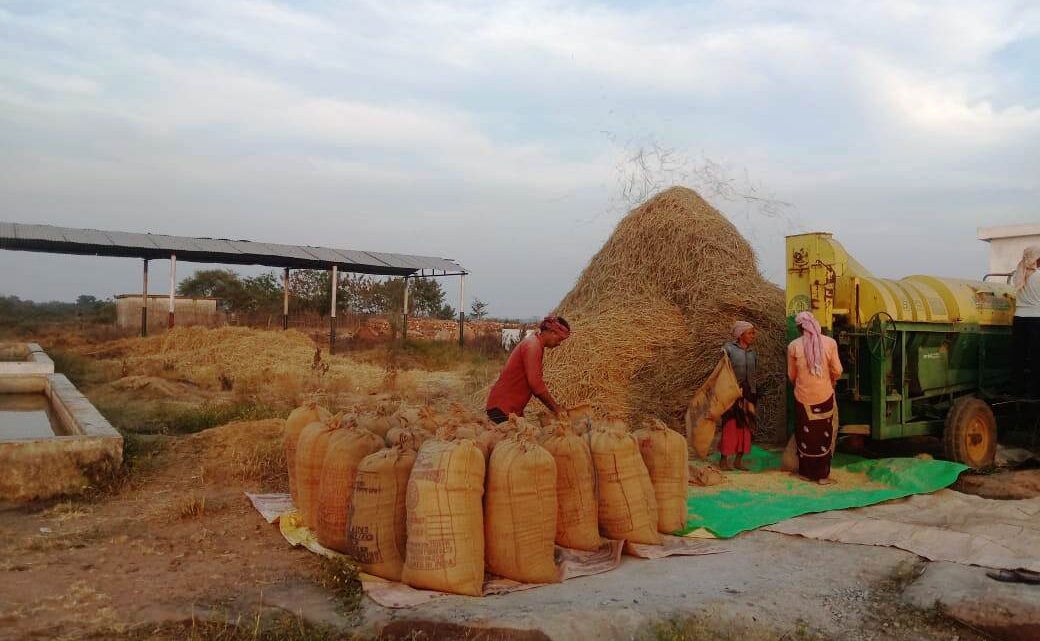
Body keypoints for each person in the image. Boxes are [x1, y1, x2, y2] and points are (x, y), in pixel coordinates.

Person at [787, 311, 843, 484]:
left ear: (799, 327)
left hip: (802, 397)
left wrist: (803, 383)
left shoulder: (794, 346)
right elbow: (838, 370)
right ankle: (822, 476)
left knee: (805, 435)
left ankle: (805, 473)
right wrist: (830, 381)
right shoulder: (830, 343)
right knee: (824, 435)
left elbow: (791, 375)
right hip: (824, 395)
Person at [485, 315, 571, 424]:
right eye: (560, 339)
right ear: (552, 332)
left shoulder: (535, 344)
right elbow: (535, 384)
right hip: (502, 409)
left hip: (508, 410)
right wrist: (556, 408)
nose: (559, 344)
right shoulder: (532, 346)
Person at [718, 320, 758, 471]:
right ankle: (724, 460)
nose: (753, 336)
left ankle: (738, 461)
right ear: (741, 334)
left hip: (748, 394)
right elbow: (722, 369)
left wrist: (753, 393)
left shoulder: (752, 353)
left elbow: (754, 374)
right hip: (732, 393)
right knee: (730, 425)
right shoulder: (729, 349)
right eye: (750, 333)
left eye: (753, 333)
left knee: (746, 426)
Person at [1012, 246, 1040, 398]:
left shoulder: (1019, 274)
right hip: (1036, 319)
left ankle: (1017, 389)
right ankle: (1034, 392)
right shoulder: (1039, 276)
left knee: (1019, 356)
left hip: (1019, 318)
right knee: (1036, 357)